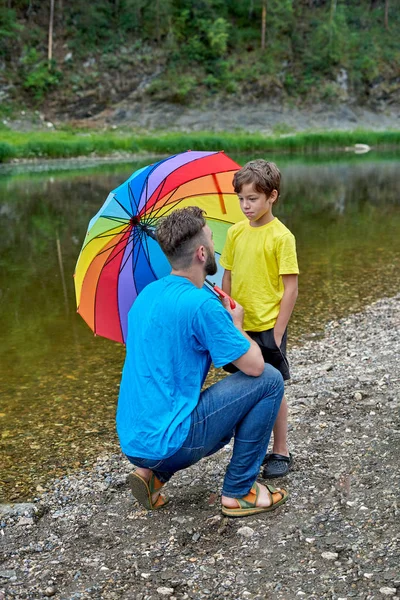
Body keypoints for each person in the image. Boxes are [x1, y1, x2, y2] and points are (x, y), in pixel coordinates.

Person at [116, 206, 287, 517]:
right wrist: (236, 324)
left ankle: (153, 475)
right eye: (210, 238)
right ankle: (239, 491)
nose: (213, 245)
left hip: (133, 441)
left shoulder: (146, 296)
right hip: (172, 443)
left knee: (181, 405)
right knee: (270, 381)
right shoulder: (201, 304)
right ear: (200, 253)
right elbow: (255, 367)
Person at [220, 160, 299, 479]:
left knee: (274, 387)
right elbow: (227, 276)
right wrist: (226, 315)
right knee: (245, 387)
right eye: (241, 199)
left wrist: (278, 333)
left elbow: (290, 288)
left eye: (252, 199)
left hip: (269, 326)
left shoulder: (282, 236)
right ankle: (249, 448)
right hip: (240, 325)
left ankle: (281, 449)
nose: (245, 205)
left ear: (272, 196)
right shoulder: (235, 233)